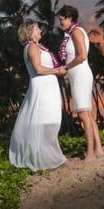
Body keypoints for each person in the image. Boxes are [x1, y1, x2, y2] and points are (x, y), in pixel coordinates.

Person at [9, 20, 68, 171]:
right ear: (30, 32)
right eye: (37, 29)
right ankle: (41, 156)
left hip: (47, 85)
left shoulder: (36, 46)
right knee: (43, 120)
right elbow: (39, 69)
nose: (40, 31)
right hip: (42, 86)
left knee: (49, 119)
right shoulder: (32, 47)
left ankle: (47, 153)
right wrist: (58, 71)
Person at [58, 5, 103, 161]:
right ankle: (99, 149)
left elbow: (82, 56)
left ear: (70, 18)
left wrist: (65, 67)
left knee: (83, 114)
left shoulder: (76, 32)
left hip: (80, 75)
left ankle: (90, 152)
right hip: (77, 75)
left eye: (62, 19)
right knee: (88, 114)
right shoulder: (71, 33)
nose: (60, 23)